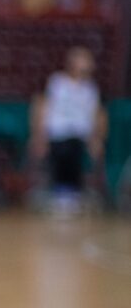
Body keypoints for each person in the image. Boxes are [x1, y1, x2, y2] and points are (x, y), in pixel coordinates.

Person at [31, 46, 106, 210]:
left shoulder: (90, 89)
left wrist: (96, 138)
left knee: (74, 148)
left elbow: (96, 115)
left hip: (80, 135)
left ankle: (72, 191)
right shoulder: (57, 82)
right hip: (57, 132)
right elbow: (43, 106)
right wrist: (39, 135)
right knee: (63, 148)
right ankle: (61, 190)